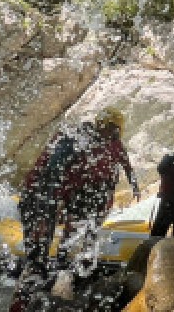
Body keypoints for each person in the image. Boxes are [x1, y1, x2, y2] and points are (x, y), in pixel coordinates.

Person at [10, 106, 139, 312]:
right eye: (111, 130)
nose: (113, 135)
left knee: (74, 241)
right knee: (37, 260)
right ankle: (26, 300)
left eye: (115, 132)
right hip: (41, 197)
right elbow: (53, 171)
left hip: (67, 197)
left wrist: (134, 185)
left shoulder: (108, 143)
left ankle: (64, 279)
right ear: (104, 126)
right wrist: (57, 204)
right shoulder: (76, 138)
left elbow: (122, 163)